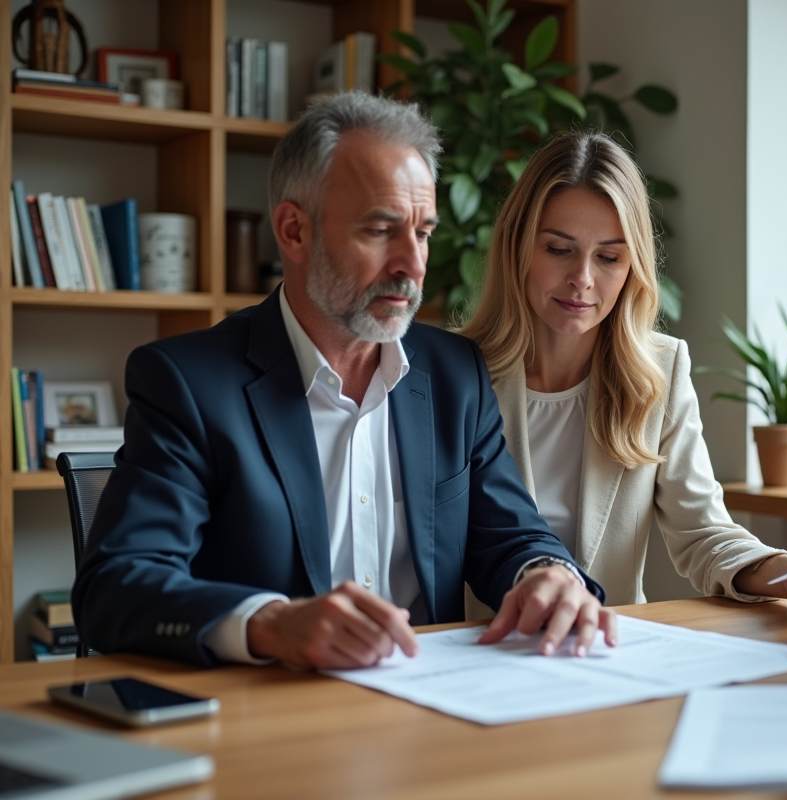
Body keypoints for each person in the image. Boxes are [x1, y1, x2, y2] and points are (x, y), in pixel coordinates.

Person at [73, 94, 616, 670]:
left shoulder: (455, 373)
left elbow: (511, 536)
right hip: (269, 704)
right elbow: (115, 586)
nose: (413, 265)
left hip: (431, 698)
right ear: (293, 231)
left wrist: (547, 573)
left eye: (423, 233)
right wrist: (269, 623)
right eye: (381, 230)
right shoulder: (188, 383)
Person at [458, 132, 787, 613]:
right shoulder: (451, 373)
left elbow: (703, 532)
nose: (583, 279)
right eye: (558, 249)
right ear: (517, 246)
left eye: (609, 257)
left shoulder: (658, 371)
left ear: (632, 266)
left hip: (609, 645)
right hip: (480, 646)